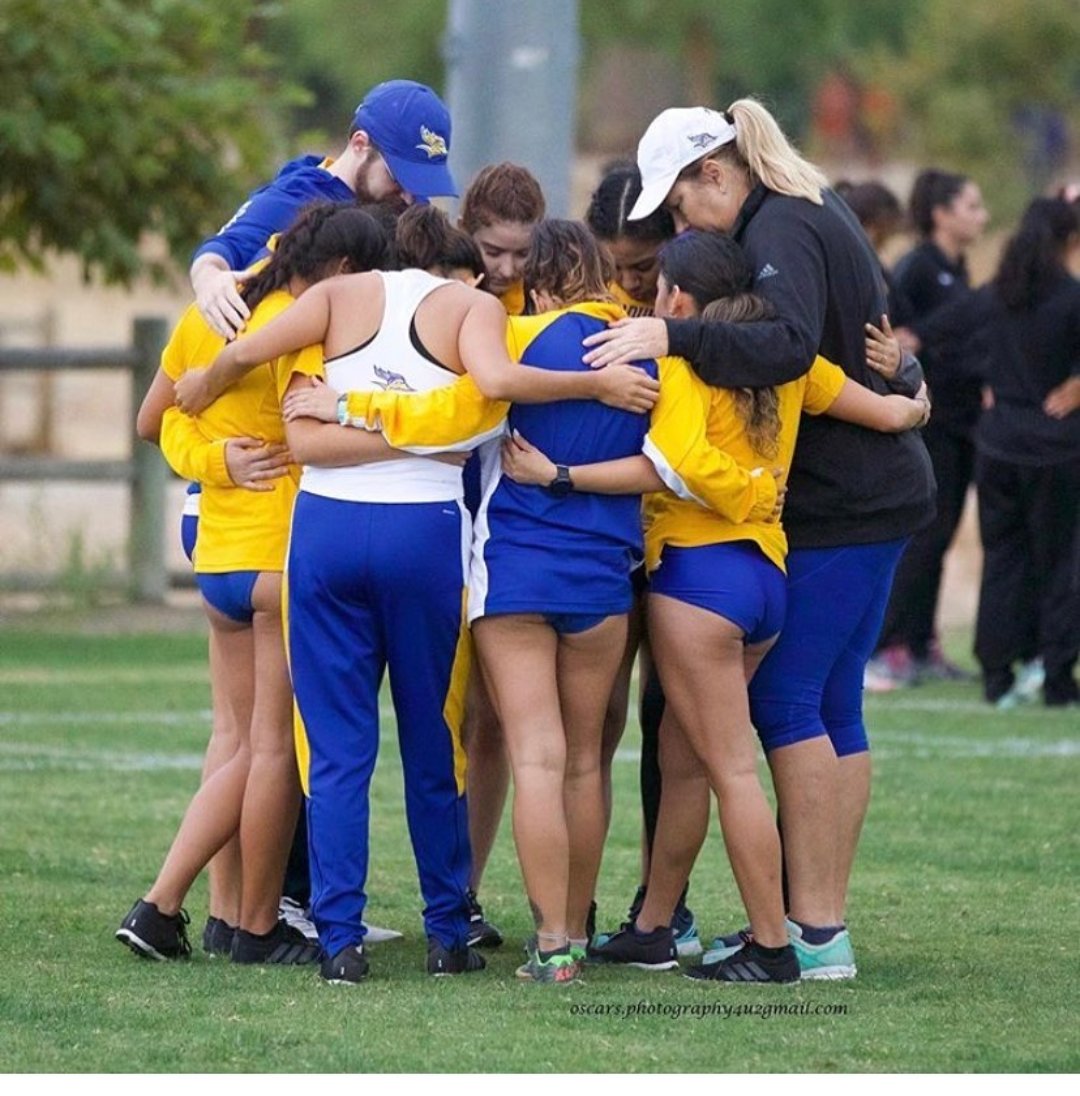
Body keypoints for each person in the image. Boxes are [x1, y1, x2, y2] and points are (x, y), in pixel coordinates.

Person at [171, 229, 660, 985]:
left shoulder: (334, 299)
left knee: (335, 751)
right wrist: (418, 442)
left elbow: (287, 411)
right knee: (435, 740)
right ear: (455, 268)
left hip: (326, 537)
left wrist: (213, 384)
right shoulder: (471, 310)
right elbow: (486, 400)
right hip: (425, 536)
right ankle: (445, 932)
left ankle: (339, 942)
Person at [512, 230, 927, 982]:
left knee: (732, 769)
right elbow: (892, 415)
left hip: (700, 582)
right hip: (767, 579)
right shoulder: (790, 363)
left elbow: (671, 467)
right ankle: (654, 926)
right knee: (686, 765)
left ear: (678, 300)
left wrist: (561, 475)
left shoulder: (680, 361)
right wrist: (914, 390)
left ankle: (773, 944)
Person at [117, 203, 392, 965]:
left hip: (218, 563)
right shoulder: (300, 324)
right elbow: (313, 431)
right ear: (339, 271)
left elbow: (156, 420)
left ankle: (219, 913)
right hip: (281, 555)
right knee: (272, 752)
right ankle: (221, 917)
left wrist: (214, 463)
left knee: (233, 740)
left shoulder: (211, 310)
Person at [912, 198, 1079, 707]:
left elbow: (937, 333)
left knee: (1001, 560)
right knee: (1060, 563)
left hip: (997, 443)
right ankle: (1055, 676)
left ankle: (995, 673)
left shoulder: (998, 294)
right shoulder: (1072, 297)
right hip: (1054, 446)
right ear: (1068, 241)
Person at [453, 161, 546, 946]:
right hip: (438, 527)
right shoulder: (447, 294)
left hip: (511, 536)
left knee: (490, 725)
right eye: (492, 250)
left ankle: (465, 893)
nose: (505, 268)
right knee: (441, 720)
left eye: (520, 253)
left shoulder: (549, 303)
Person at [191, 78, 456, 339]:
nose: (410, 197)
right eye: (399, 177)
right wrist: (210, 280)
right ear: (360, 144)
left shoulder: (409, 204)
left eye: (421, 180)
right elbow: (222, 250)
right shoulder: (296, 196)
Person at [866, 169, 989, 689]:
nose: (981, 216)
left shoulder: (957, 268)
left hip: (965, 420)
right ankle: (890, 644)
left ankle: (923, 641)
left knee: (941, 537)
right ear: (941, 214)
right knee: (922, 535)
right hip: (928, 420)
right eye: (971, 205)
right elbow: (903, 339)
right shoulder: (917, 268)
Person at [586, 161, 676, 316]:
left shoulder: (699, 299)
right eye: (613, 267)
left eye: (644, 267)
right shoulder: (586, 294)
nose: (628, 284)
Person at [458, 162, 546, 316]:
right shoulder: (430, 296)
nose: (507, 271)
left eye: (523, 254)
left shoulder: (554, 298)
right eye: (493, 252)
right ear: (463, 231)